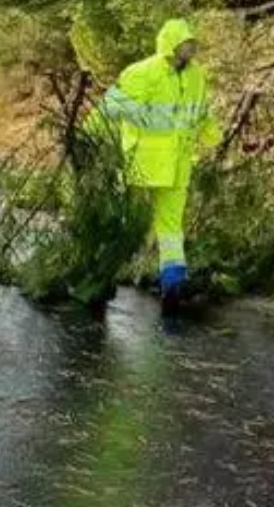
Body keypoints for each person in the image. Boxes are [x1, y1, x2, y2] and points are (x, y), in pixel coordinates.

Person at [92, 18, 220, 310]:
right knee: (129, 224)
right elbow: (110, 109)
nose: (192, 47)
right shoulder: (142, 72)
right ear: (171, 44)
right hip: (143, 165)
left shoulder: (196, 76)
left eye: (193, 42)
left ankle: (173, 282)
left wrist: (215, 138)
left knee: (171, 227)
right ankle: (99, 276)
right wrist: (84, 138)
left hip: (178, 166)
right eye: (187, 42)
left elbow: (200, 113)